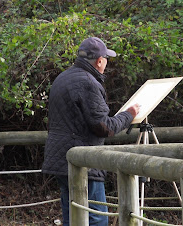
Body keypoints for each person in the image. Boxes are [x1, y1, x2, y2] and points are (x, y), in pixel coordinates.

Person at [42, 37, 140, 226]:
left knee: (73, 215)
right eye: (106, 59)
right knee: (96, 218)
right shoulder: (88, 83)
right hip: (83, 161)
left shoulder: (63, 77)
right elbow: (104, 127)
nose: (106, 64)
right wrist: (129, 115)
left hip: (60, 158)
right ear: (99, 61)